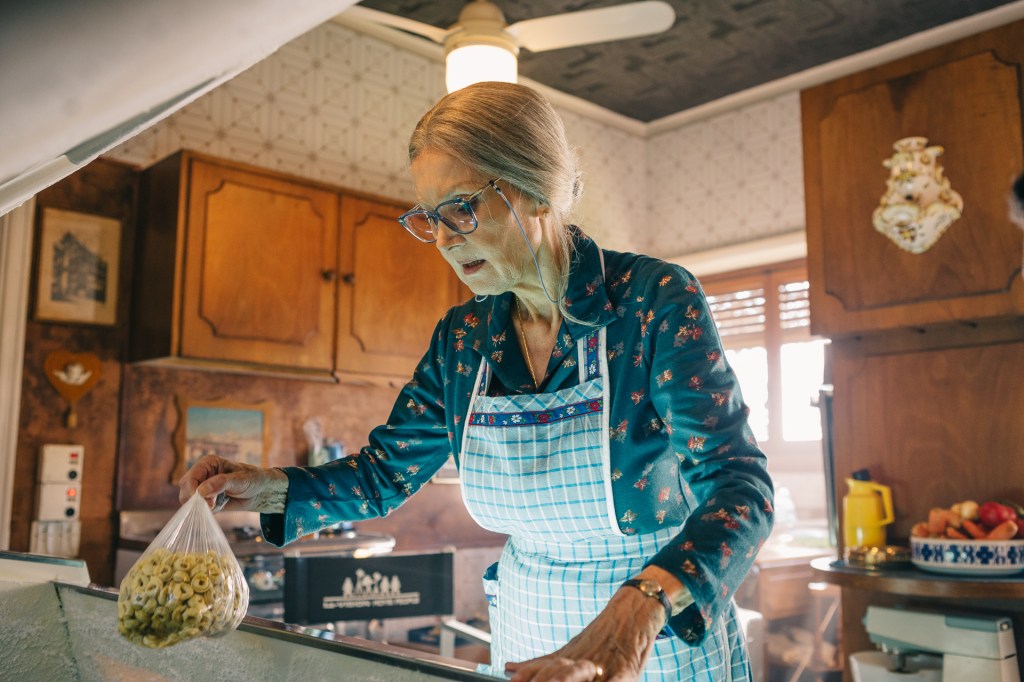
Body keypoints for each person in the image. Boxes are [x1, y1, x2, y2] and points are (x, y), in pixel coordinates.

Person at [180, 81, 774, 681]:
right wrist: (267, 489)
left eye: (461, 207)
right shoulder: (463, 338)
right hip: (528, 634)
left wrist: (635, 614)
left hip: (654, 638)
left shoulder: (652, 302)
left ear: (537, 190)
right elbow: (384, 474)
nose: (442, 239)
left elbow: (741, 489)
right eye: (428, 217)